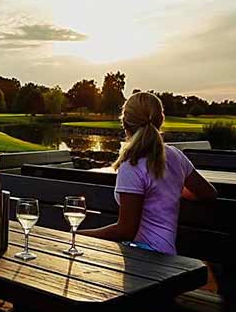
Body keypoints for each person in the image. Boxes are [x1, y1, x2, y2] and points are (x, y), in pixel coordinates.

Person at [79, 92, 217, 254]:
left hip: (145, 258)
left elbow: (126, 231)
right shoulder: (176, 156)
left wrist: (78, 235)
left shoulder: (132, 164)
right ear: (161, 120)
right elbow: (208, 193)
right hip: (167, 254)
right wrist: (171, 190)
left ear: (125, 123)